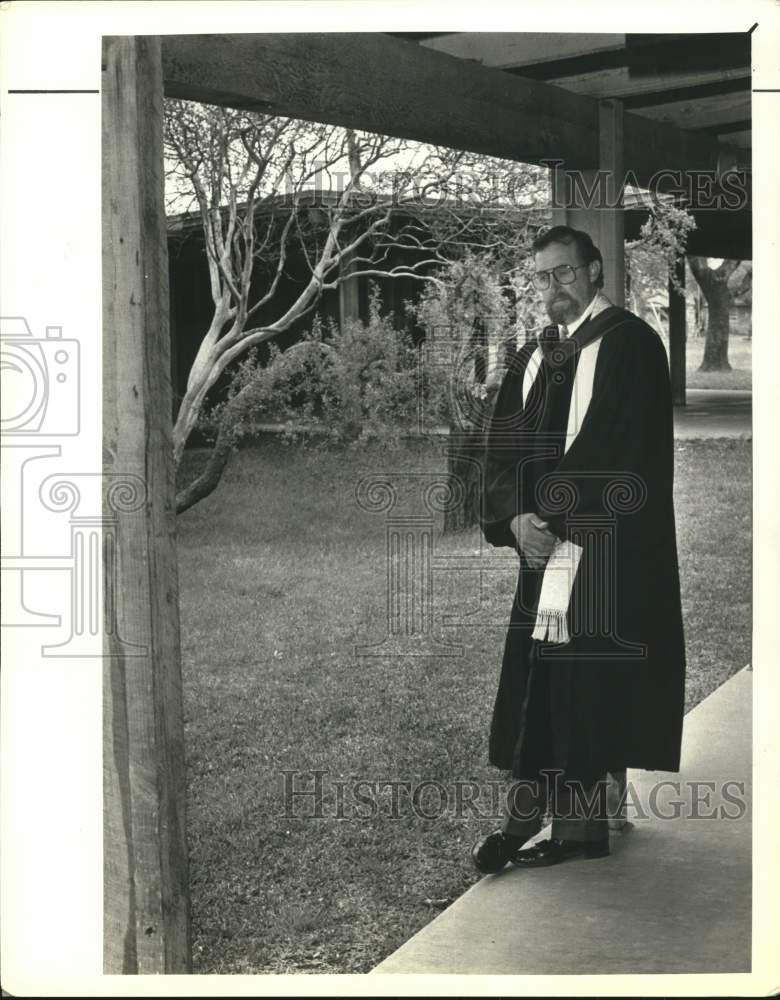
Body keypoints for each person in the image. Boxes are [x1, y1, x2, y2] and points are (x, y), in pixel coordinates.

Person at [471, 225, 686, 873]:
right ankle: (537, 823)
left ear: (595, 272)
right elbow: (499, 451)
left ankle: (580, 829)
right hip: (541, 551)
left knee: (587, 684)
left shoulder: (631, 346)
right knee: (545, 680)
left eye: (565, 272)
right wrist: (514, 520)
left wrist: (551, 518)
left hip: (604, 550)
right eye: (541, 276)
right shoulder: (531, 356)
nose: (553, 288)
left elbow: (623, 452)